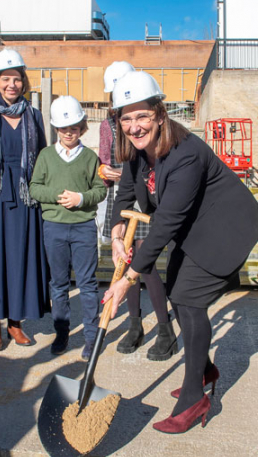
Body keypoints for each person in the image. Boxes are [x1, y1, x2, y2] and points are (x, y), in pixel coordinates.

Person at [102, 72, 258, 434]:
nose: (134, 126)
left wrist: (127, 280)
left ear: (160, 114)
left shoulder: (186, 154)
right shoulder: (136, 151)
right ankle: (202, 368)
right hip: (193, 227)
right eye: (126, 117)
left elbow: (166, 224)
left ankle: (194, 398)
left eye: (142, 115)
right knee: (176, 290)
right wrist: (114, 231)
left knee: (189, 297)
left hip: (224, 228)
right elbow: (125, 191)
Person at [0, 49, 50, 351]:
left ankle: (16, 322)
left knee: (21, 257)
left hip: (26, 197)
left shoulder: (35, 116)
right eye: (6, 79)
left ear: (23, 82)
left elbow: (43, 159)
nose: (11, 85)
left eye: (16, 79)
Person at [99, 61, 175, 361]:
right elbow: (104, 160)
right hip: (122, 197)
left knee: (146, 264)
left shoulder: (144, 123)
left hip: (145, 196)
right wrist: (104, 169)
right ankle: (134, 325)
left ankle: (165, 329)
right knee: (124, 261)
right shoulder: (110, 124)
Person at [30, 96, 106, 358]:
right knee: (59, 283)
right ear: (56, 129)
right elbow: (34, 188)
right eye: (64, 128)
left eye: (74, 127)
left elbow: (100, 190)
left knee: (87, 284)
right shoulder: (46, 156)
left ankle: (91, 338)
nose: (69, 133)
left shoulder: (90, 158)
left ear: (82, 127)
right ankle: (61, 333)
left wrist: (81, 199)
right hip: (54, 228)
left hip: (83, 227)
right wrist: (59, 195)